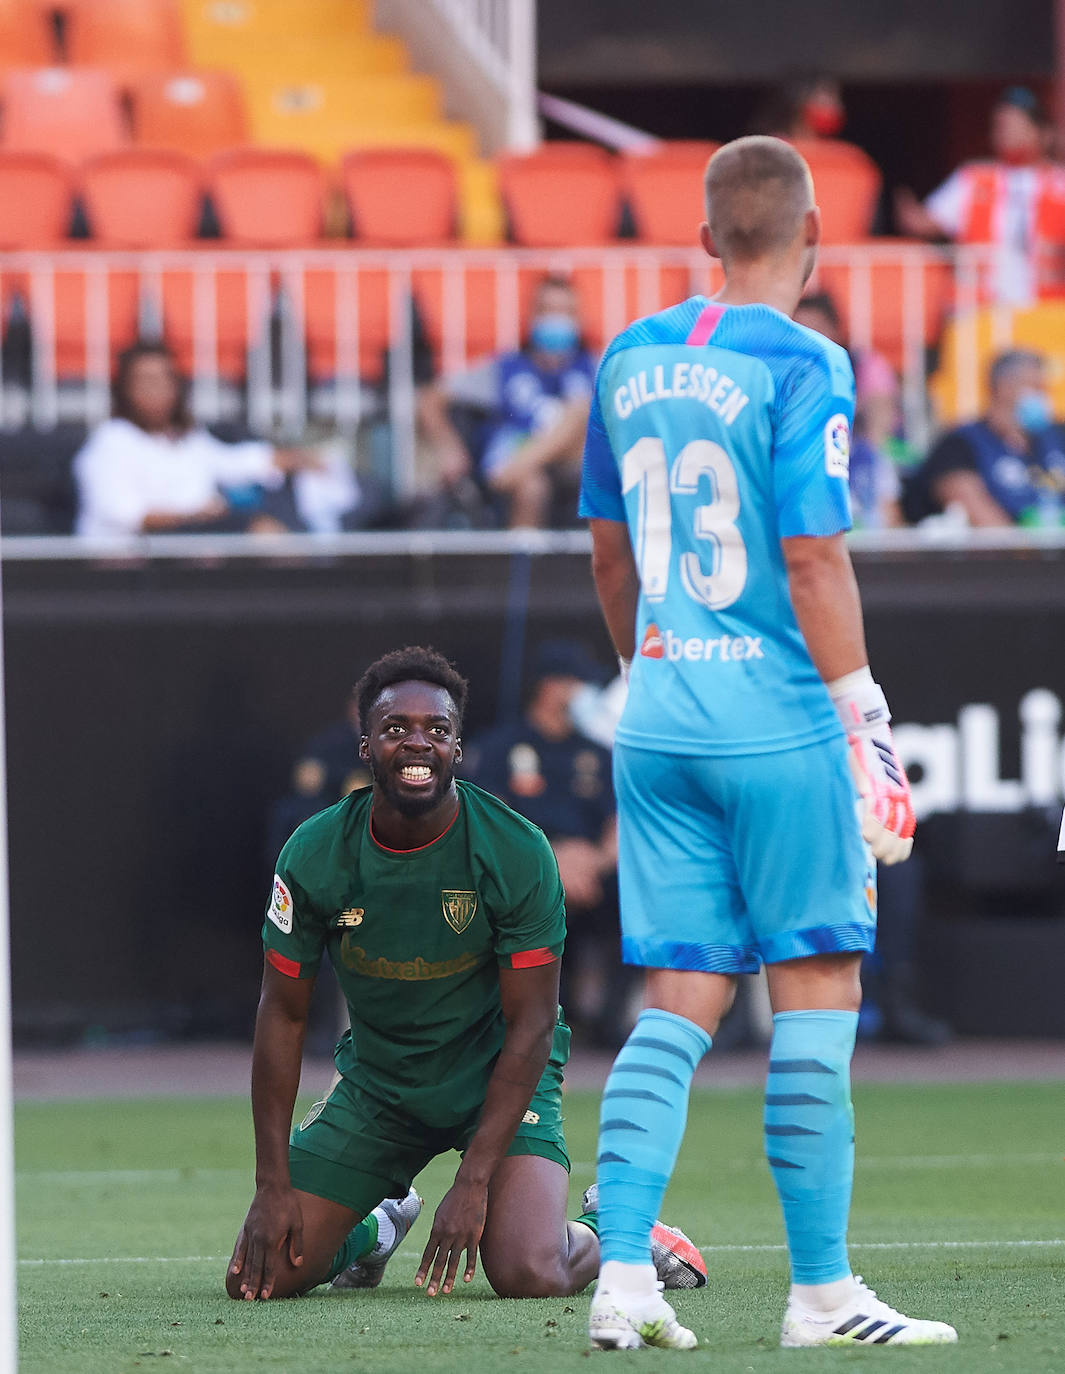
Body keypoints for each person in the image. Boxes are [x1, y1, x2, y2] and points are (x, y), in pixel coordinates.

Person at [578, 136, 957, 1351]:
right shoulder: (808, 360)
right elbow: (811, 552)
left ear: (703, 241)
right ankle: (823, 1295)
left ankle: (623, 1278)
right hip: (776, 721)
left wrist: (648, 668)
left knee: (679, 995)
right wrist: (866, 717)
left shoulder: (629, 356)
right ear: (811, 240)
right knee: (816, 988)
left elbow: (605, 548)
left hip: (660, 718)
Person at [226, 645, 705, 1304]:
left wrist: (473, 1179)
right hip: (379, 1086)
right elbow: (281, 1015)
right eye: (395, 730)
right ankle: (375, 1228)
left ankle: (623, 1227)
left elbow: (533, 1022)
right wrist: (270, 1183)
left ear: (458, 747)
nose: (417, 743)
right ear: (365, 746)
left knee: (526, 1272)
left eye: (437, 731)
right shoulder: (313, 852)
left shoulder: (513, 848)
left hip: (496, 1078)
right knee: (262, 1277)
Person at [463, 640, 632, 1048]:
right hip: (528, 868)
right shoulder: (501, 748)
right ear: (551, 686)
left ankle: (607, 1023)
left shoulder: (596, 752)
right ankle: (524, 1020)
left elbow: (618, 824)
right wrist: (552, 861)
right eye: (577, 684)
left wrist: (591, 862)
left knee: (636, 901)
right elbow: (491, 823)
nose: (584, 696)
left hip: (590, 873)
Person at [74, 342, 318, 539]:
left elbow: (231, 462)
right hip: (128, 570)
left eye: (165, 380)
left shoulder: (187, 439)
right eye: (146, 381)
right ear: (124, 389)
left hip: (192, 547)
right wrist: (195, 516)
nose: (157, 390)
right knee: (259, 533)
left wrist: (293, 458)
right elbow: (127, 516)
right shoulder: (109, 444)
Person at [419, 276, 597, 528]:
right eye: (548, 311)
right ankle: (521, 566)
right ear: (533, 316)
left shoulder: (595, 368)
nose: (557, 320)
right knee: (532, 487)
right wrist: (448, 447)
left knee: (582, 414)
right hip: (512, 451)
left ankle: (512, 471)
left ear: (578, 318)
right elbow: (430, 398)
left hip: (567, 463)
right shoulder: (505, 368)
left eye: (565, 312)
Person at [895, 86, 1065, 306]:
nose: (1006, 133)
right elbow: (922, 222)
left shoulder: (1059, 183)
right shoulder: (973, 178)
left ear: (1043, 132)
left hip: (1046, 309)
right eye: (1001, 126)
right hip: (981, 308)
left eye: (1015, 125)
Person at [907, 349, 1065, 527]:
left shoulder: (1056, 436)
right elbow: (988, 527)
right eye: (1037, 388)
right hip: (1006, 553)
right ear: (1004, 387)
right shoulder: (959, 445)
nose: (1044, 398)